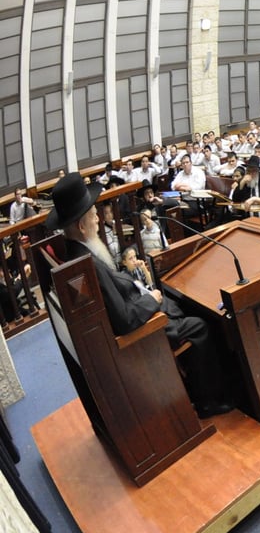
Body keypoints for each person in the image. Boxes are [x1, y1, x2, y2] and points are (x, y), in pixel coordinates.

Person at [48, 172, 233, 417]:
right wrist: (151, 299)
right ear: (81, 226)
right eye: (94, 216)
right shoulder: (86, 264)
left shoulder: (78, 252)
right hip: (143, 331)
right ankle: (207, 401)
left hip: (141, 309)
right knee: (200, 324)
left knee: (188, 306)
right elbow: (124, 320)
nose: (98, 220)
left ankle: (197, 387)